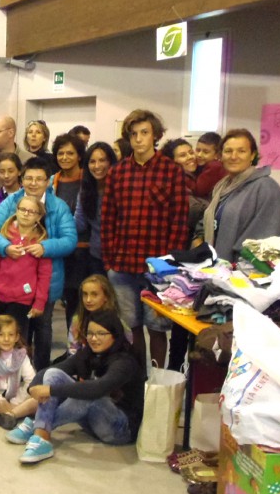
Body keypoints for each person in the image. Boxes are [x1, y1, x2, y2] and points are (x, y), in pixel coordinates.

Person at [101, 109, 188, 368]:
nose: (138, 139)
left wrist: (168, 264)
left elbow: (179, 221)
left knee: (157, 327)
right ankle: (137, 377)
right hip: (122, 264)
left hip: (157, 268)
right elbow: (108, 218)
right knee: (132, 327)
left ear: (155, 136)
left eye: (144, 133)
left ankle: (157, 381)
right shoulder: (117, 172)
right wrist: (109, 260)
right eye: (133, 134)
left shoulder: (171, 171)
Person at [7, 309, 145, 465]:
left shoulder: (124, 362)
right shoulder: (89, 353)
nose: (94, 338)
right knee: (54, 374)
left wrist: (50, 390)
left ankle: (38, 428)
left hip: (120, 429)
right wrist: (33, 387)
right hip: (93, 419)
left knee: (88, 393)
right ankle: (41, 431)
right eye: (90, 333)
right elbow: (57, 368)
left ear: (115, 335)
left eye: (101, 334)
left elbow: (98, 389)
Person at [0, 158, 77, 371]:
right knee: (13, 330)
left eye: (39, 179)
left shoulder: (58, 206)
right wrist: (6, 247)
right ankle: (9, 371)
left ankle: (41, 372)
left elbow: (70, 240)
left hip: (47, 281)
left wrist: (45, 247)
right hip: (12, 286)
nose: (33, 183)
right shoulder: (11, 202)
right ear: (22, 179)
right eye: (29, 178)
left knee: (42, 326)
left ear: (47, 181)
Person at [195, 128, 280, 262]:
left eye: (241, 151)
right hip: (217, 266)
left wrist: (236, 266)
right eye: (228, 151)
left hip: (246, 269)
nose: (234, 156)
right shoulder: (222, 187)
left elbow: (269, 238)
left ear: (252, 155)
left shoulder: (266, 188)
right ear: (221, 155)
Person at [0, 196, 52, 343]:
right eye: (23, 209)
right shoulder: (4, 235)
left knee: (18, 341)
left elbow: (44, 275)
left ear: (38, 216)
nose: (26, 214)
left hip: (22, 300)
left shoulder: (41, 242)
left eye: (31, 211)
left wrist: (40, 302)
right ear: (16, 211)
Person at [51, 134, 88, 328]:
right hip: (61, 250)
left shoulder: (88, 179)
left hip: (84, 250)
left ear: (79, 155)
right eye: (60, 153)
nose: (64, 157)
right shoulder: (52, 181)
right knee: (70, 301)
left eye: (70, 153)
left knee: (85, 302)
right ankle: (71, 342)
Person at [74, 142, 117, 277]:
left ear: (111, 162)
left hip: (119, 257)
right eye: (92, 161)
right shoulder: (86, 189)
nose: (97, 166)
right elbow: (79, 223)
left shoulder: (120, 187)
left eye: (102, 160)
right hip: (96, 256)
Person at [68, 274, 130, 354]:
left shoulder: (118, 322)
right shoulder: (77, 321)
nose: (88, 300)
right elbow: (72, 350)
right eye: (85, 294)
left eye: (94, 294)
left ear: (106, 296)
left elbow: (126, 348)